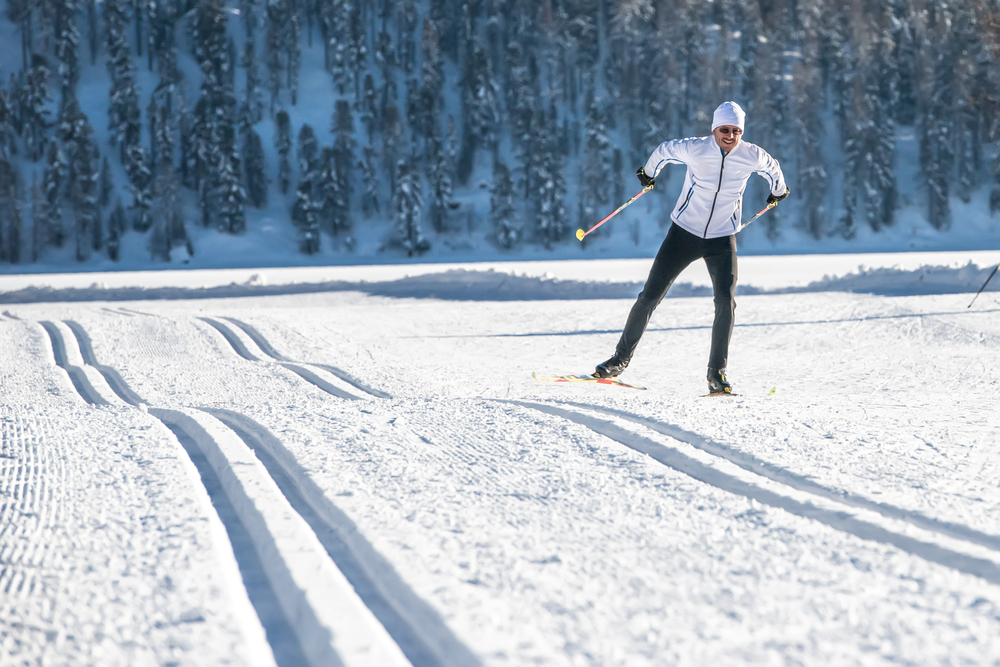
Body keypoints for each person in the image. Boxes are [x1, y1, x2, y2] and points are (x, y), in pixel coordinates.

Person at [594, 101, 788, 395]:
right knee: (649, 297)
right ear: (714, 129)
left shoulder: (751, 154)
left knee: (726, 302)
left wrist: (778, 191)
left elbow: (772, 168)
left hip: (723, 238)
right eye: (725, 129)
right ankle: (618, 361)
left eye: (736, 131)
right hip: (684, 234)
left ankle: (716, 374)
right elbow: (664, 150)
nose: (730, 136)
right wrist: (649, 173)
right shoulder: (696, 148)